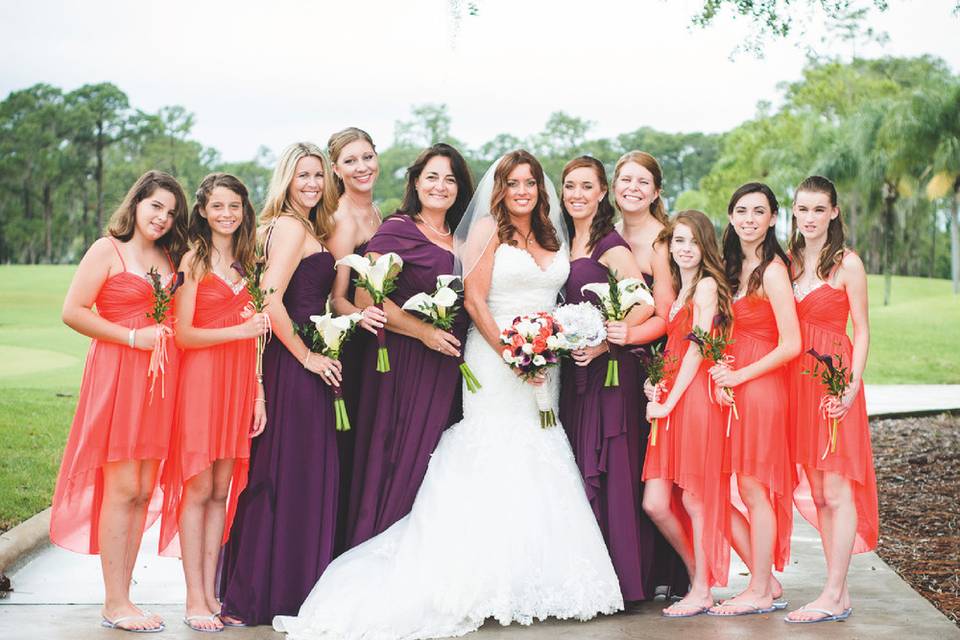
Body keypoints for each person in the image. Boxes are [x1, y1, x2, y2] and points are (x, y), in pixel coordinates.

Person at [273, 150, 623, 640]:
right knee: (495, 449)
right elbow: (475, 298)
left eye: (530, 183)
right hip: (497, 358)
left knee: (539, 451)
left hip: (544, 361)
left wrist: (549, 346)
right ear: (498, 189)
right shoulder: (485, 230)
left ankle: (531, 576)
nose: (522, 191)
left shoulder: (549, 232)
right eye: (512, 183)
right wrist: (512, 354)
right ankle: (483, 577)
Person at [53, 170, 188, 632]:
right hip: (118, 376)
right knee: (123, 488)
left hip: (161, 382)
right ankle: (114, 602)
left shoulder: (171, 255)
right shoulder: (106, 250)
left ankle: (126, 596)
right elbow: (72, 312)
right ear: (136, 204)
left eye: (170, 213)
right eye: (155, 207)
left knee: (145, 490)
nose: (162, 218)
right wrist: (133, 337)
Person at [217, 143, 343, 626]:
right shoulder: (290, 227)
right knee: (295, 477)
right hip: (295, 363)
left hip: (283, 361)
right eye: (302, 175)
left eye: (317, 175)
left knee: (282, 472)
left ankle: (262, 590)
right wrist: (310, 356)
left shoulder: (275, 226)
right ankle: (276, 593)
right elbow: (268, 301)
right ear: (286, 180)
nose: (311, 183)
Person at [345, 143, 474, 547]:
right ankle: (379, 551)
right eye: (432, 177)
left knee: (442, 468)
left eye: (450, 179)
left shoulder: (467, 239)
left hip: (452, 368)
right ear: (416, 182)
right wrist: (424, 332)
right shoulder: (398, 229)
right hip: (406, 365)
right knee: (402, 459)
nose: (440, 186)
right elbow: (367, 298)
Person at [158, 173, 269, 632]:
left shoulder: (249, 263)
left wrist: (258, 391)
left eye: (235, 206)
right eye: (218, 206)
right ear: (203, 211)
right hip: (202, 383)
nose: (227, 214)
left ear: (244, 211)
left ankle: (212, 590)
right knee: (198, 488)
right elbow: (182, 334)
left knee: (222, 491)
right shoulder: (194, 260)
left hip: (240, 382)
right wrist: (239, 331)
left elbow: (257, 340)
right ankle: (193, 597)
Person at [556, 156, 657, 602]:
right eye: (570, 186)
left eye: (586, 187)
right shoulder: (562, 242)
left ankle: (622, 581)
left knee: (611, 469)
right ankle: (590, 579)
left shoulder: (611, 246)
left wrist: (602, 341)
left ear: (602, 194)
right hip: (573, 375)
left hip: (609, 373)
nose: (577, 194)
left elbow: (643, 305)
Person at [785, 176, 877, 624]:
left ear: (834, 212)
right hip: (793, 384)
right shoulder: (785, 262)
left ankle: (835, 592)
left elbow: (861, 329)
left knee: (837, 488)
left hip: (831, 382)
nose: (810, 218)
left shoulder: (847, 264)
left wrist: (850, 385)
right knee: (819, 490)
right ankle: (835, 591)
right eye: (803, 209)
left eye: (819, 209)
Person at [708, 182, 800, 617]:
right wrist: (723, 373)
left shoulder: (773, 270)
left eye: (758, 211)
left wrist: (741, 375)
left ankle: (760, 589)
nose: (749, 218)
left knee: (753, 488)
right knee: (734, 488)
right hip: (735, 385)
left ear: (772, 219)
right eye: (741, 210)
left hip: (762, 388)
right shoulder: (731, 269)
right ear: (730, 216)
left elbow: (791, 344)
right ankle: (765, 581)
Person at [643, 210, 734, 616]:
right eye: (678, 241)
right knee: (656, 503)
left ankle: (701, 590)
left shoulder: (707, 286)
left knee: (695, 499)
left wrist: (668, 400)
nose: (684, 249)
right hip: (673, 394)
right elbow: (677, 348)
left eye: (693, 242)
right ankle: (701, 576)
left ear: (706, 246)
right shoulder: (682, 289)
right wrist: (656, 382)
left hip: (693, 398)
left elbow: (698, 348)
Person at [612, 150, 690, 596]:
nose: (633, 188)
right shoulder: (606, 235)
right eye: (625, 179)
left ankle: (675, 573)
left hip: (654, 363)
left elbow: (666, 315)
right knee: (629, 470)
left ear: (656, 191)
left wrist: (627, 336)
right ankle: (636, 569)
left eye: (643, 182)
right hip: (611, 362)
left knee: (657, 471)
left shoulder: (664, 241)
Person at [324, 127, 388, 553]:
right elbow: (334, 296)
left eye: (367, 157)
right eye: (351, 161)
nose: (362, 167)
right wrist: (361, 315)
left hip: (380, 338)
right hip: (356, 345)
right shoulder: (342, 218)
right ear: (336, 169)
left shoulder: (380, 214)